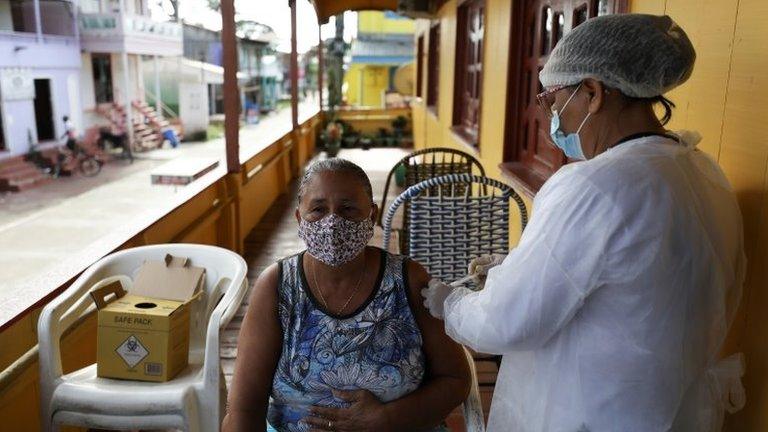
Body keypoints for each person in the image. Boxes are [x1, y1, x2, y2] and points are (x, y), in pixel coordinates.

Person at [421, 14, 746, 432]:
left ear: (592, 92)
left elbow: (506, 321)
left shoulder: (595, 186)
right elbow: (638, 279)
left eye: (553, 102)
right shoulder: (700, 171)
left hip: (589, 414)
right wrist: (514, 268)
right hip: (671, 409)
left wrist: (450, 303)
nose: (552, 120)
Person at [223, 158, 471, 432]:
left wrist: (387, 420)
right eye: (318, 209)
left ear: (372, 216)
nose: (332, 223)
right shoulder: (277, 287)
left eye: (348, 209)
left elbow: (455, 378)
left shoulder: (408, 280)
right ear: (298, 218)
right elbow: (244, 408)